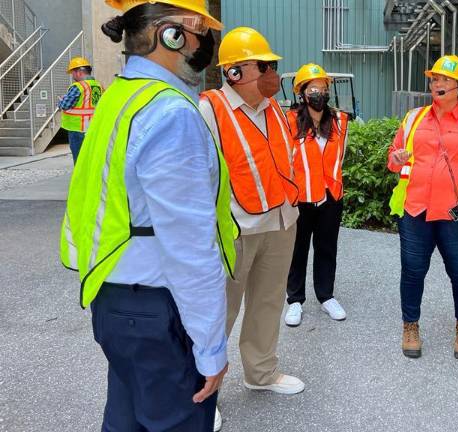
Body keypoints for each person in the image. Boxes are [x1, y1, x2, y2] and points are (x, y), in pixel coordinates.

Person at [59, 0, 237, 431]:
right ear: (170, 34)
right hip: (158, 313)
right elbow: (189, 247)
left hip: (115, 300)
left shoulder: (120, 95)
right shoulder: (172, 113)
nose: (207, 43)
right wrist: (212, 349)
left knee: (126, 420)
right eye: (200, 31)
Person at [199, 28, 305, 413]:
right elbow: (200, 175)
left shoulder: (273, 107)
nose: (272, 73)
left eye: (271, 65)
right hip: (236, 230)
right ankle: (202, 396)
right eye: (263, 65)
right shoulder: (210, 109)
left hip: (281, 221)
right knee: (218, 313)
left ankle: (260, 373)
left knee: (268, 302)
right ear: (233, 73)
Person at [387, 55, 458, 360]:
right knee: (412, 271)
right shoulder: (413, 118)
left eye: (445, 80)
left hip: (455, 212)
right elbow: (394, 155)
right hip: (415, 210)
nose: (437, 84)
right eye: (435, 79)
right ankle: (410, 326)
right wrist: (395, 158)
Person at [284, 63, 349, 327]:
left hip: (331, 197)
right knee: (297, 250)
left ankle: (326, 296)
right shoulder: (288, 121)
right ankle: (295, 300)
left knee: (326, 248)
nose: (318, 93)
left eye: (323, 88)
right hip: (300, 198)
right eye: (313, 88)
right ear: (301, 93)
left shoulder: (340, 121)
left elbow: (339, 158)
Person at [58, 56, 103, 164]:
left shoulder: (78, 86)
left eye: (72, 73)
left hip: (77, 129)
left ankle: (80, 180)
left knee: (79, 161)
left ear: (79, 72)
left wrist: (61, 101)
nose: (72, 76)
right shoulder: (99, 86)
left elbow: (65, 105)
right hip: (93, 128)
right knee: (91, 159)